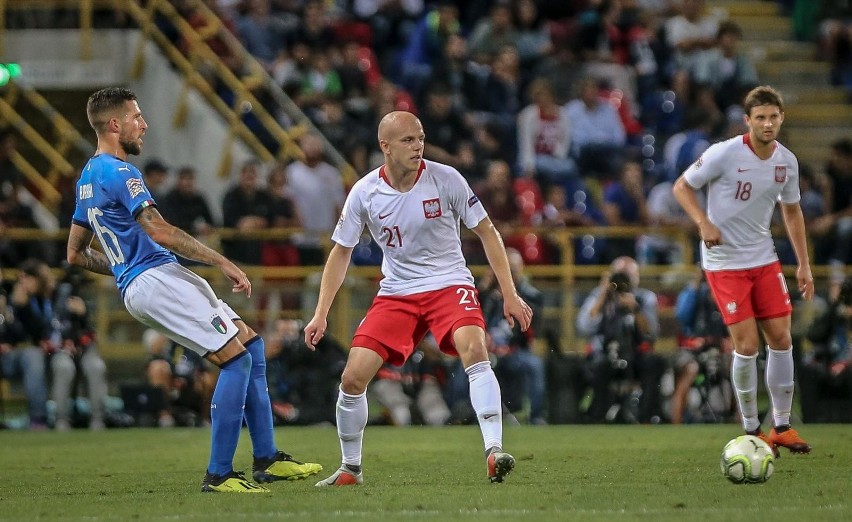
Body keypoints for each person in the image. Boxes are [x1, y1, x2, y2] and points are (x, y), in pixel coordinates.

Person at [66, 87, 321, 493]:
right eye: (136, 116)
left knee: (251, 346)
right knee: (234, 360)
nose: (144, 124)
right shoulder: (121, 172)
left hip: (149, 279)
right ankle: (219, 474)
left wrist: (121, 272)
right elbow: (159, 230)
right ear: (114, 125)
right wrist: (221, 260)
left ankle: (267, 457)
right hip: (156, 278)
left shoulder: (87, 178)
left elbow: (76, 254)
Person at [304, 110, 533, 486]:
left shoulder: (446, 179)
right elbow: (341, 251)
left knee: (475, 349)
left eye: (421, 138)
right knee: (352, 377)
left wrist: (510, 294)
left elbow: (488, 232)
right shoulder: (364, 192)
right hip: (397, 292)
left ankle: (494, 451)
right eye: (408, 140)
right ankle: (350, 468)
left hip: (448, 283)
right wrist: (320, 313)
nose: (418, 146)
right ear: (385, 147)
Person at [672, 85, 814, 454]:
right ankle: (751, 429)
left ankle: (781, 426)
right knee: (748, 345)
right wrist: (703, 223)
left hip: (764, 259)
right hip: (725, 264)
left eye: (773, 117)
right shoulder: (723, 154)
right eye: (760, 117)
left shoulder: (787, 161)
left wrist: (803, 263)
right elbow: (682, 187)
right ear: (747, 120)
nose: (767, 124)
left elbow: (792, 210)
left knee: (782, 339)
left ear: (781, 118)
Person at [576, 256, 665, 424]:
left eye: (627, 276)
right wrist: (603, 295)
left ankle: (646, 417)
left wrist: (636, 309)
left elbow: (652, 332)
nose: (622, 282)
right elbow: (583, 326)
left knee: (654, 363)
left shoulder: (645, 298)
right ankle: (599, 416)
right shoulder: (599, 296)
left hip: (637, 353)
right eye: (619, 276)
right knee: (598, 365)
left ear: (637, 277)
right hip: (606, 352)